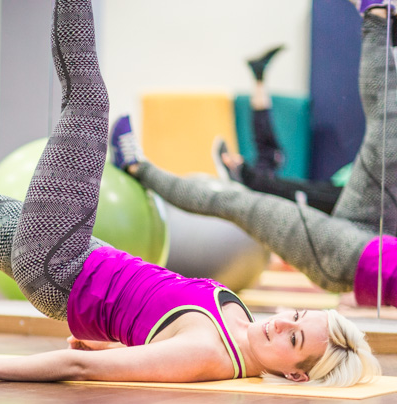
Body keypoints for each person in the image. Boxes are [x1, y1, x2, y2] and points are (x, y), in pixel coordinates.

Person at [0, 0, 379, 387]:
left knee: (87, 104)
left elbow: (85, 367)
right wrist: (97, 326)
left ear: (295, 376)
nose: (282, 325)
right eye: (295, 318)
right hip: (68, 259)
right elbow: (131, 319)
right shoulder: (242, 326)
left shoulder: (209, 355)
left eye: (294, 339)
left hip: (59, 262)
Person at [122, 0, 397, 315]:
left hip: (346, 255)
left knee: (238, 202)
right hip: (377, 234)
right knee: (388, 128)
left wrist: (364, 289)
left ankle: (137, 166)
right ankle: (376, 16)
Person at [211, 45, 345, 214]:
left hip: (340, 199)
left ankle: (244, 175)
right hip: (342, 190)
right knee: (272, 156)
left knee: (291, 188)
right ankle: (259, 77)